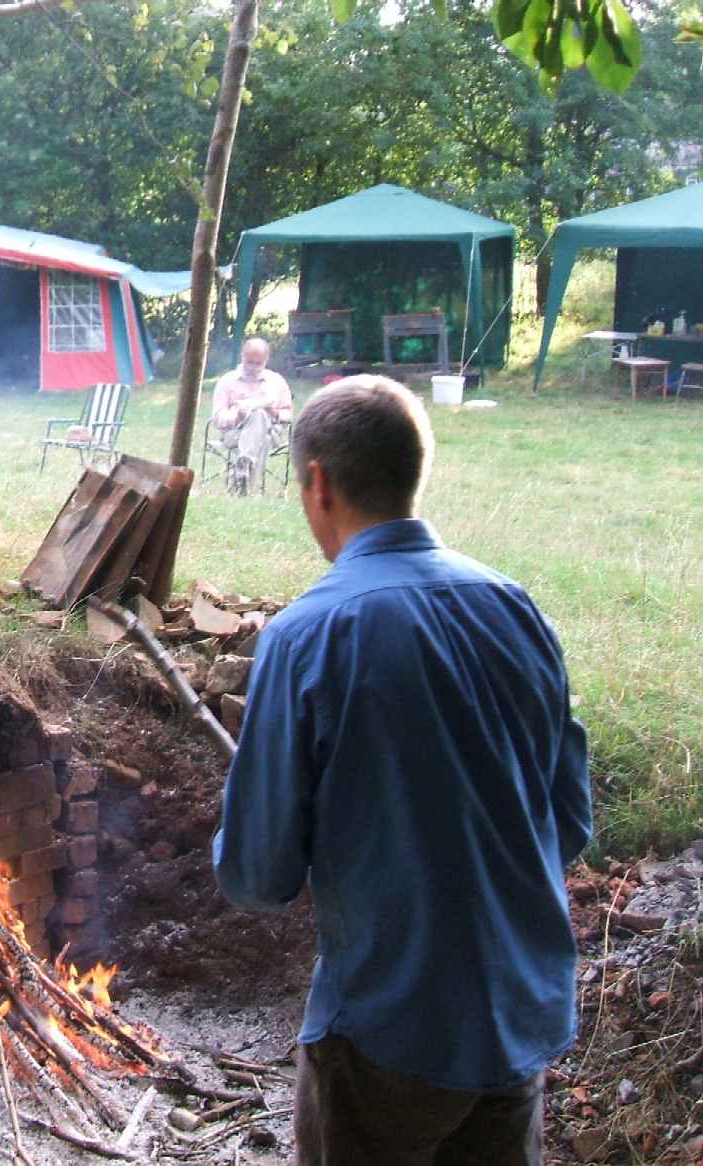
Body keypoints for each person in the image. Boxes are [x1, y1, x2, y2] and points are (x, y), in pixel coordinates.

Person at [212, 376, 591, 1166]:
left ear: (316, 481)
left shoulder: (307, 634)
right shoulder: (516, 607)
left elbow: (259, 874)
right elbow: (571, 819)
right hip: (521, 1014)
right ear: (416, 469)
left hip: (391, 1032)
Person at [212, 337, 293, 494]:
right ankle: (247, 484)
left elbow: (288, 415)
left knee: (260, 415)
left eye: (259, 363)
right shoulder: (227, 381)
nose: (253, 368)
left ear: (266, 361)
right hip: (235, 433)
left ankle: (242, 471)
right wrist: (238, 417)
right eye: (250, 362)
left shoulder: (276, 381)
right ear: (242, 357)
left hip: (271, 431)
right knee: (259, 424)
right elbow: (218, 418)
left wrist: (273, 412)